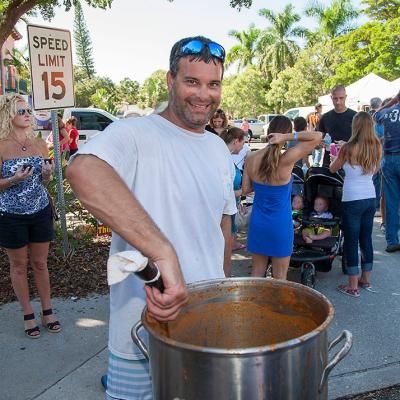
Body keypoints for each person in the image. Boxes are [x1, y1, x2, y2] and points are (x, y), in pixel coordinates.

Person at [66, 36, 236, 400]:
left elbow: (222, 227)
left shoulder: (218, 148)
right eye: (192, 82)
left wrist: (223, 293)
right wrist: (163, 252)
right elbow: (83, 171)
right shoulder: (135, 133)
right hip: (140, 331)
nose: (203, 94)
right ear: (170, 79)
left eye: (213, 84)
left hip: (203, 326)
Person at [0, 94, 60, 338]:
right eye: (21, 110)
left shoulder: (39, 143)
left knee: (39, 263)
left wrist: (46, 174)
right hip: (11, 215)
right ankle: (27, 314)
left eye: (28, 110)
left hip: (39, 210)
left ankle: (47, 310)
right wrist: (13, 180)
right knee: (18, 265)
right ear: (9, 115)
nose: (27, 114)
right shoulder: (2, 145)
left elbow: (45, 180)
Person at [242, 115, 322, 280]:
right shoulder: (286, 159)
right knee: (280, 278)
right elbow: (318, 136)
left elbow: (245, 189)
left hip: (258, 222)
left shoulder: (250, 158)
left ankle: (255, 306)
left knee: (256, 273)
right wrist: (287, 137)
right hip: (279, 224)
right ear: (284, 134)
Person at [330, 111, 382, 297]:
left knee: (351, 241)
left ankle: (352, 285)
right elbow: (373, 171)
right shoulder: (376, 146)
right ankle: (365, 279)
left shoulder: (348, 148)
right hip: (370, 197)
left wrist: (336, 152)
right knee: (366, 238)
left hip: (352, 198)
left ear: (356, 126)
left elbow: (333, 168)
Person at [374, 90, 400, 252]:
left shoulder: (388, 112)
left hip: (389, 159)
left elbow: (375, 115)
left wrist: (392, 102)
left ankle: (392, 240)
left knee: (391, 201)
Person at [220, 127, 246, 257]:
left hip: (230, 208)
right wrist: (243, 191)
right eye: (243, 143)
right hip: (224, 212)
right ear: (236, 141)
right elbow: (224, 191)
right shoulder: (223, 157)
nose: (243, 147)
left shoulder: (226, 156)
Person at [318, 86, 357, 167]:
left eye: (341, 98)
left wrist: (347, 146)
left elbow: (364, 141)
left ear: (346, 97)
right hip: (329, 161)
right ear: (331, 98)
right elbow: (318, 139)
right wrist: (319, 143)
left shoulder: (355, 116)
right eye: (335, 98)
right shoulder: (325, 117)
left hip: (350, 160)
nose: (338, 102)